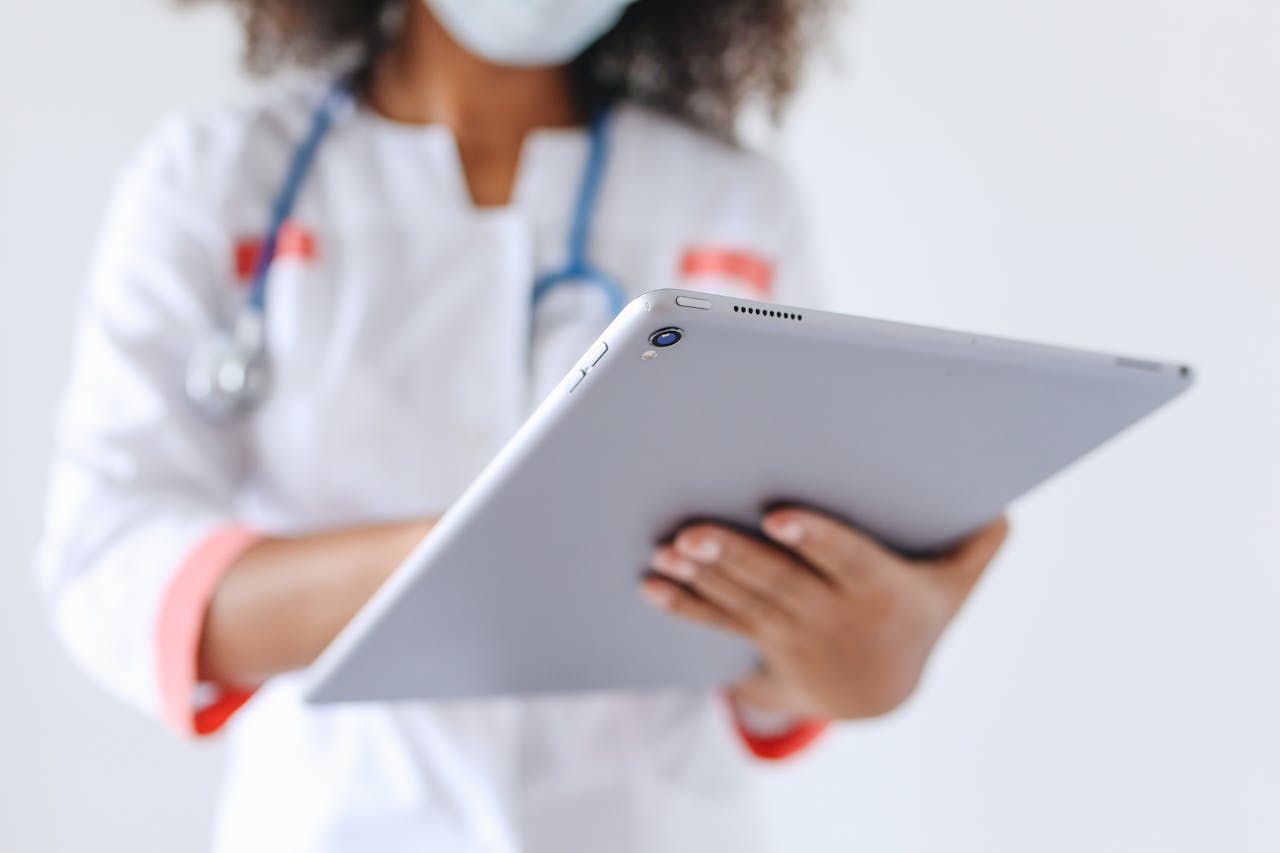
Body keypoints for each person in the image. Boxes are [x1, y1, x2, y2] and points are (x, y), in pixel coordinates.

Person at [36, 0, 1009, 850]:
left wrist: (853, 659)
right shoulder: (211, 178)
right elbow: (109, 561)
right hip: (342, 822)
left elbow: (764, 626)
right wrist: (476, 553)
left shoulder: (732, 202)